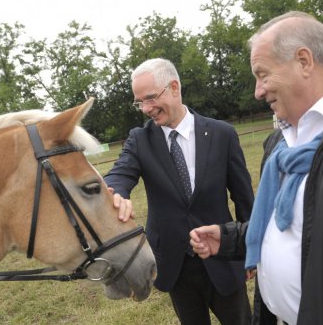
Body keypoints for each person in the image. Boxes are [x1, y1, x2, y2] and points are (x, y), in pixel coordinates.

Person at [190, 11, 323, 325]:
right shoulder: (280, 141)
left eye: (262, 74)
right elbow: (293, 226)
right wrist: (230, 239)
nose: (258, 91)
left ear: (304, 61)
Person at [104, 58, 254, 325]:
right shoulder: (140, 140)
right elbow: (120, 173)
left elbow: (243, 198)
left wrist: (249, 248)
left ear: (174, 87)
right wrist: (115, 193)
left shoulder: (222, 134)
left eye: (150, 98)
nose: (146, 109)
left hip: (222, 257)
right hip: (175, 266)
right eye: (139, 102)